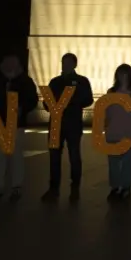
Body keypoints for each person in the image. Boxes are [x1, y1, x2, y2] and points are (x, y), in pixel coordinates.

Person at [41, 53, 94, 202]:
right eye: (64, 62)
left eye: (69, 63)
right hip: (56, 124)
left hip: (72, 123)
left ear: (75, 64)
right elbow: (46, 102)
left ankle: (74, 188)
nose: (66, 65)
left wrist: (71, 102)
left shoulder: (82, 81)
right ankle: (54, 188)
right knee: (54, 158)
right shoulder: (55, 82)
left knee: (74, 157)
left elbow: (88, 99)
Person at [0, 55, 39, 201]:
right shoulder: (0, 82)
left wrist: (22, 108)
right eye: (6, 64)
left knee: (15, 156)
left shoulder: (25, 82)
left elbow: (32, 100)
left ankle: (16, 186)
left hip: (16, 123)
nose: (8, 66)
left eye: (11, 64)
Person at [105, 64, 131, 201]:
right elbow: (107, 112)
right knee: (113, 163)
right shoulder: (111, 92)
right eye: (120, 74)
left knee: (127, 162)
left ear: (130, 76)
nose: (123, 77)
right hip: (113, 131)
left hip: (128, 132)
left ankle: (126, 187)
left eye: (125, 74)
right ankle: (115, 187)